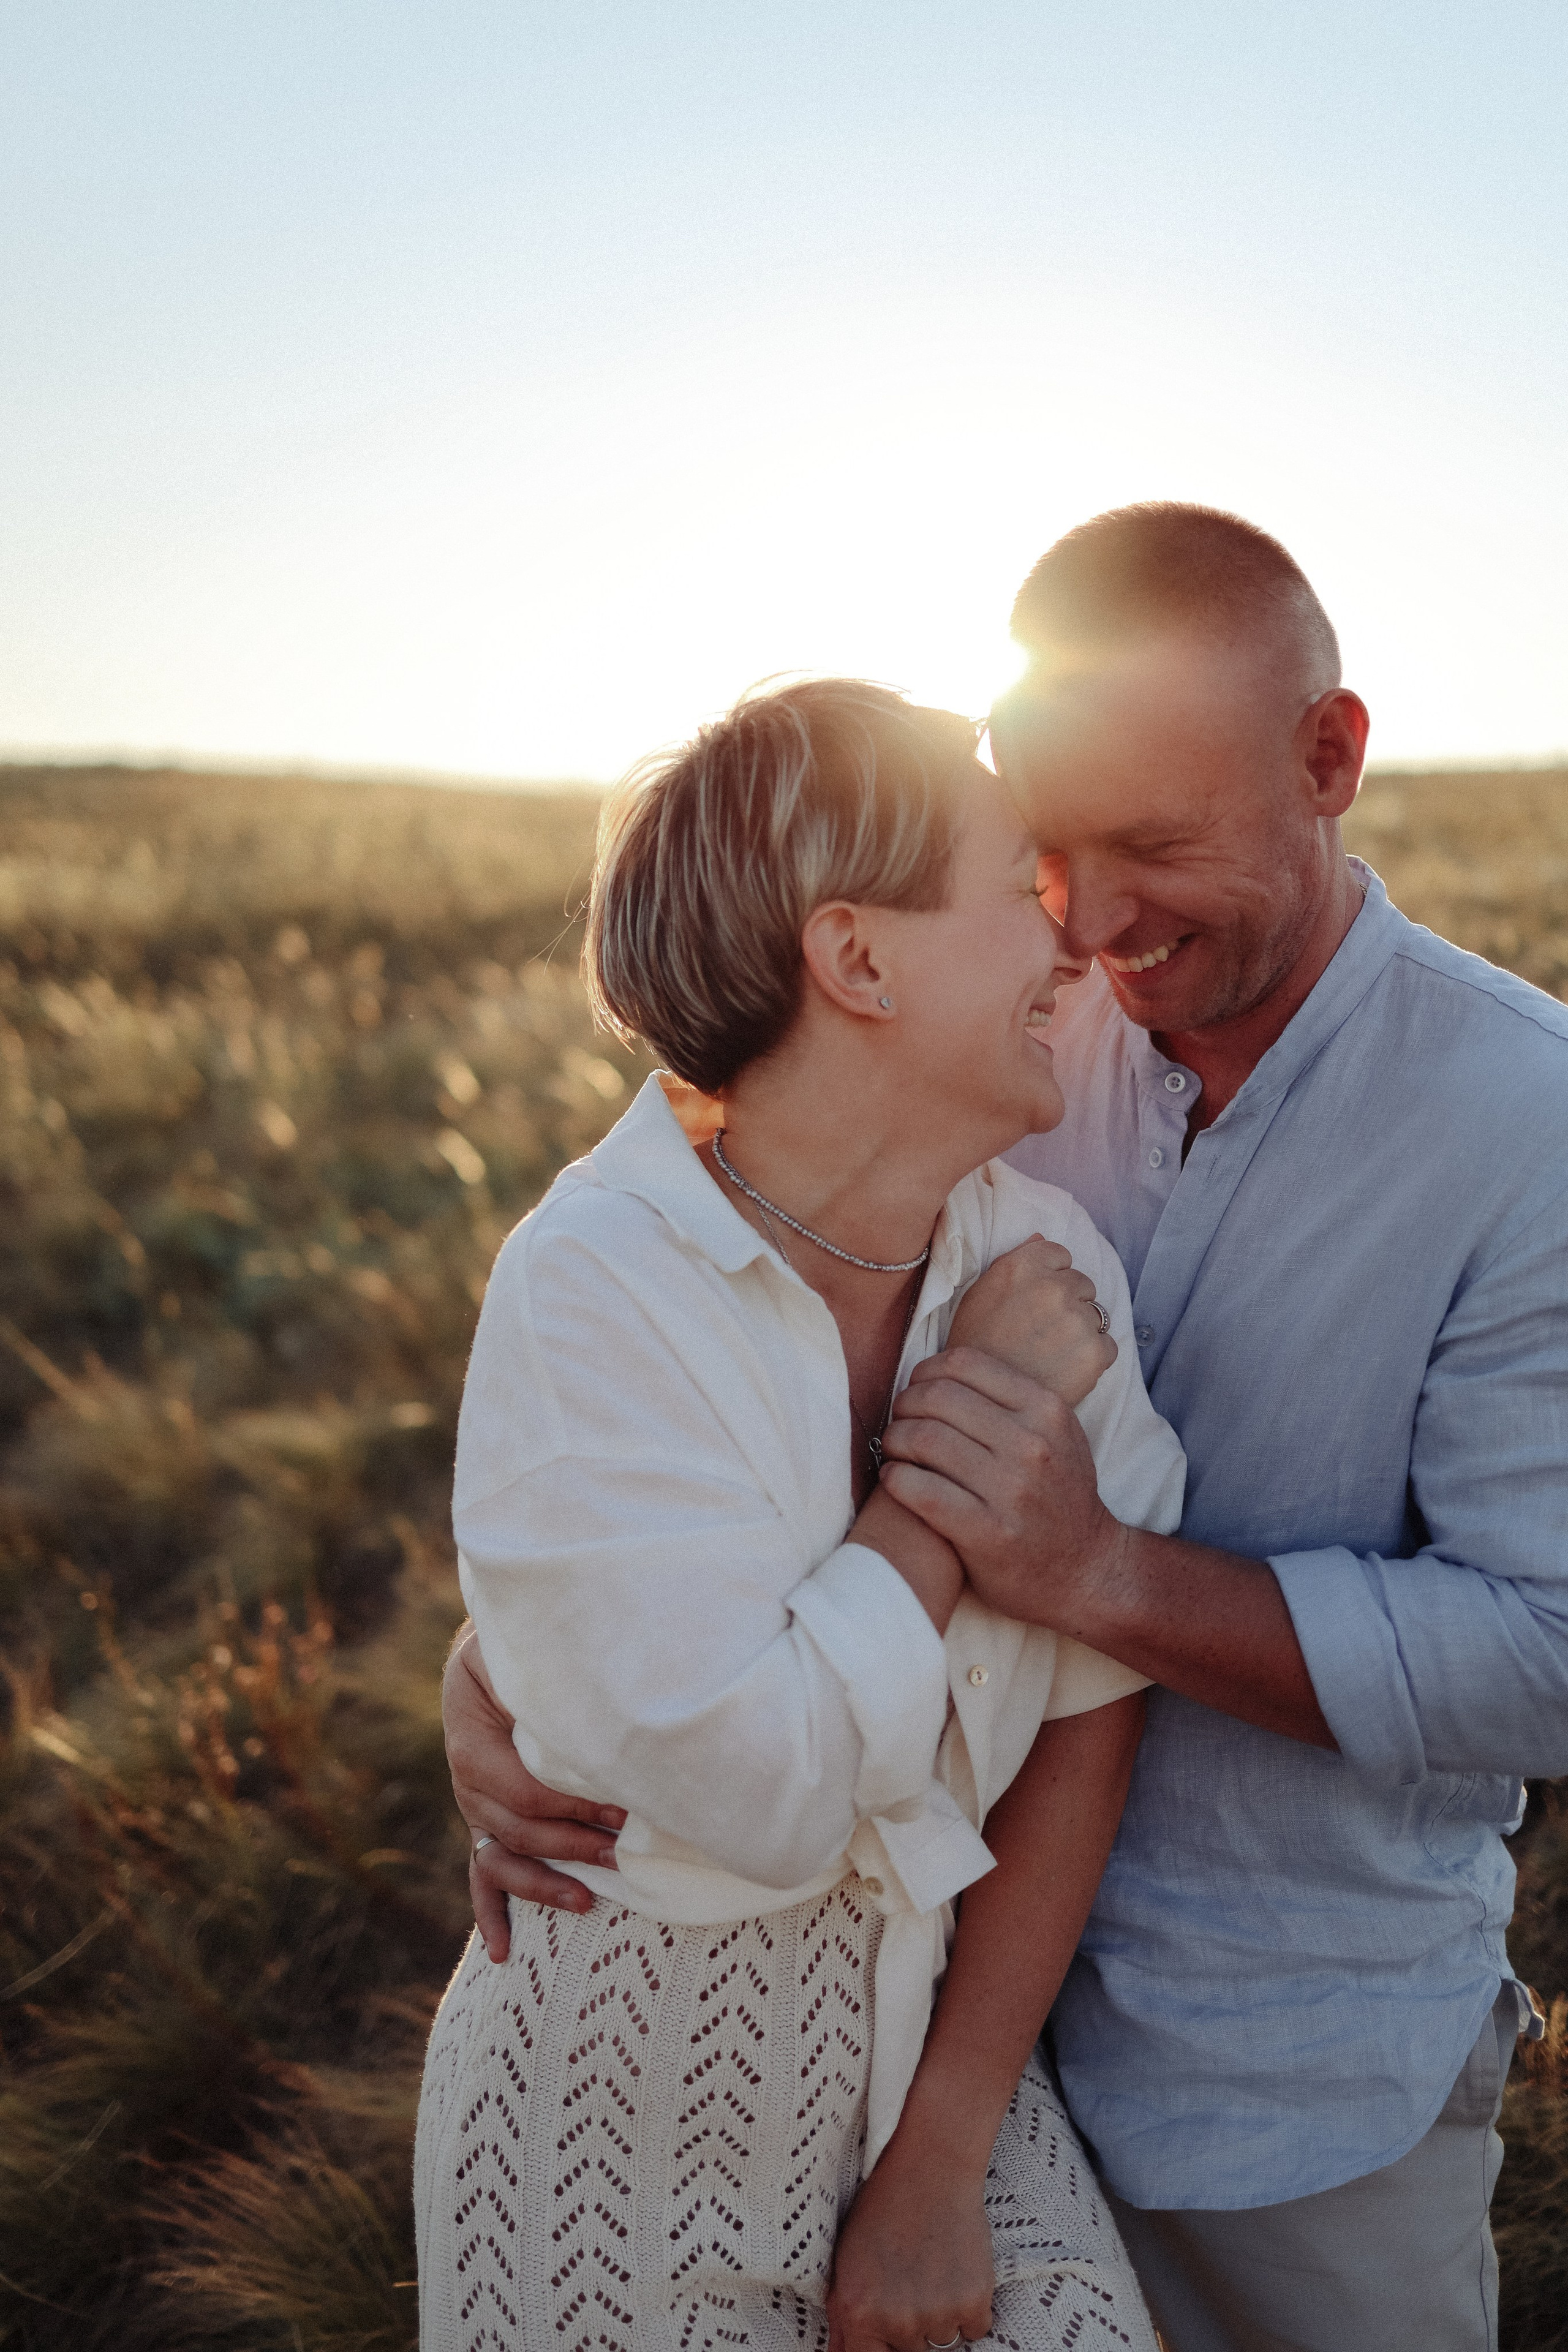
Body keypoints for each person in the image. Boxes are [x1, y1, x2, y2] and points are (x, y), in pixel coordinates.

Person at [447, 506, 1568, 2351]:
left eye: (1157, 846)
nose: (1094, 922)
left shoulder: (1523, 1126)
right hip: (939, 2030)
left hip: (1284, 2067)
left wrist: (1102, 1577)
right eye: (1045, 853)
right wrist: (514, 1661)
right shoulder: (1019, 1069)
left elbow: (1548, 1648)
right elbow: (696, 1413)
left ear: (1331, 760)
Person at [414, 679, 1186, 2352]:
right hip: (605, 2109)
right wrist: (947, 1473)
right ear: (858, 961)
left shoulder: (1044, 1271)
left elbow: (1085, 1719)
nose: (1067, 945)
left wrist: (945, 2148)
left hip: (946, 2057)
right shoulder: (594, 1285)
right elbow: (763, 1793)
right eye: (1013, 892)